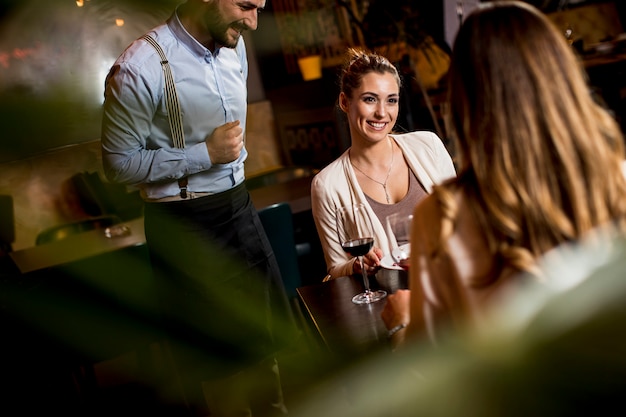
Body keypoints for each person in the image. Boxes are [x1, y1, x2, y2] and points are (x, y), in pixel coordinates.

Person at [382, 0, 626, 349]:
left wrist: (400, 325)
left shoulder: (442, 216)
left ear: (464, 101)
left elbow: (434, 374)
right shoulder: (620, 181)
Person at [100, 1, 295, 415]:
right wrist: (203, 153)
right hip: (184, 227)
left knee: (269, 357)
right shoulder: (139, 67)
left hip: (239, 209)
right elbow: (117, 165)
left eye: (259, 8)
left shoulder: (234, 45)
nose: (253, 21)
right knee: (220, 377)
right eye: (245, 6)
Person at [310, 48, 456, 280]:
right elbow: (335, 269)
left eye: (391, 101)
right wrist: (357, 266)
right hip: (387, 301)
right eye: (370, 99)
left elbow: (464, 220)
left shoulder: (429, 146)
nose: (381, 113)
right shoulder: (327, 185)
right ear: (345, 102)